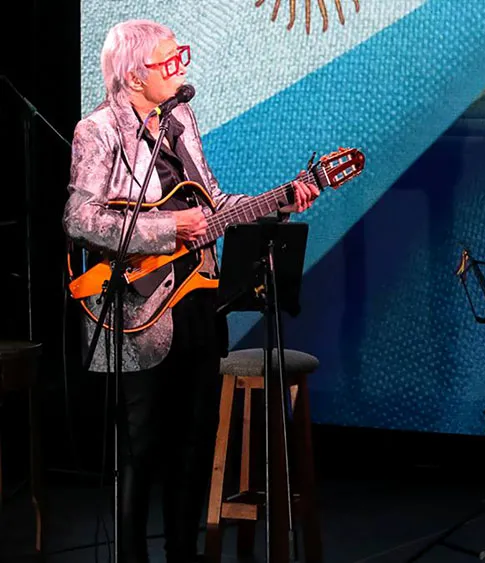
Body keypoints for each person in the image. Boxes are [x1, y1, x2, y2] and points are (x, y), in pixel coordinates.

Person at [62, 20, 320, 563]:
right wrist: (168, 229)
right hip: (135, 311)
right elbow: (79, 219)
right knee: (141, 449)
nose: (179, 70)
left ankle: (185, 554)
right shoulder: (98, 131)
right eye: (167, 61)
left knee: (196, 443)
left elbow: (211, 202)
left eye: (179, 58)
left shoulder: (179, 117)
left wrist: (280, 200)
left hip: (199, 300)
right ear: (133, 75)